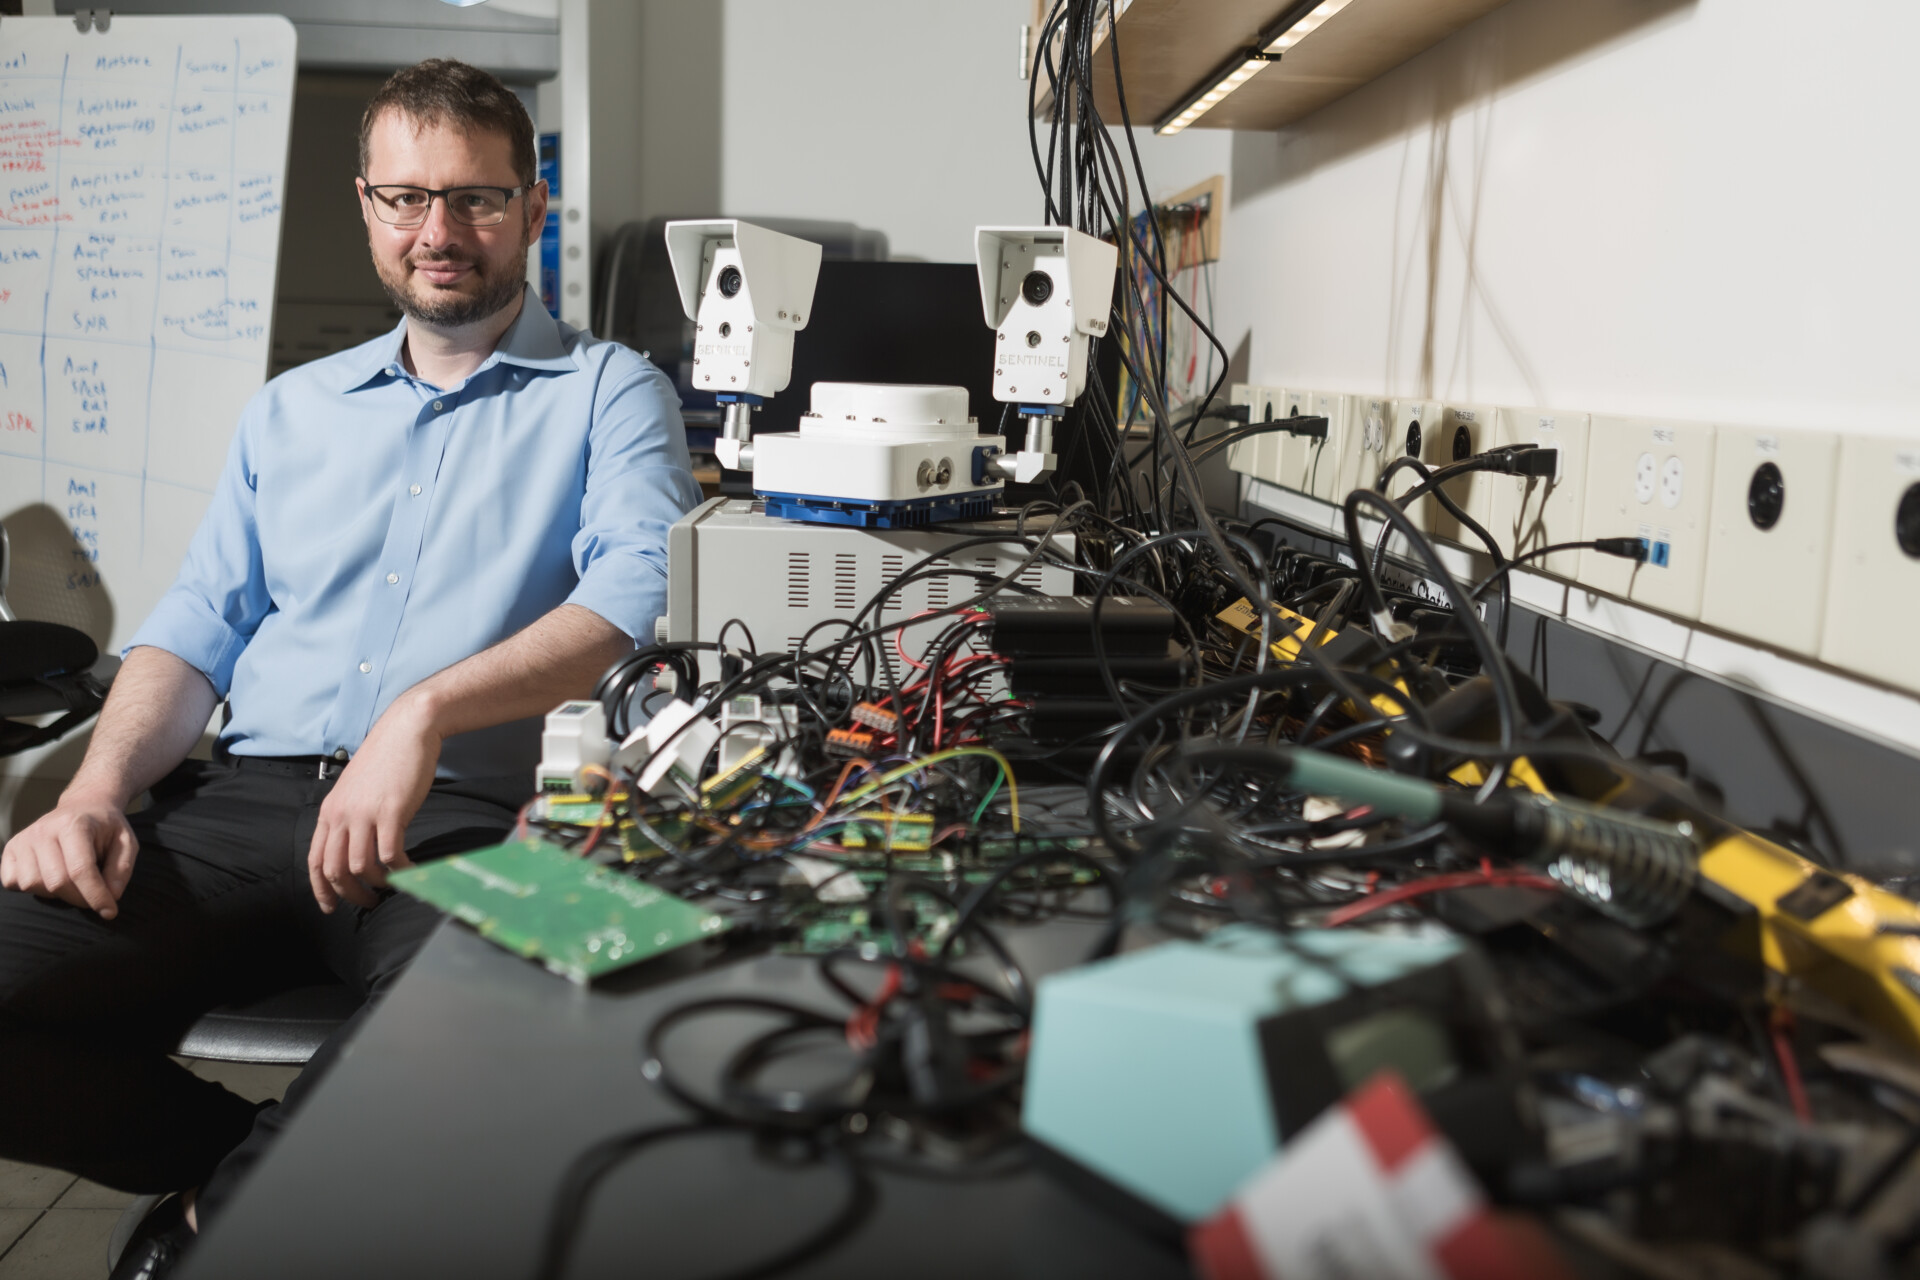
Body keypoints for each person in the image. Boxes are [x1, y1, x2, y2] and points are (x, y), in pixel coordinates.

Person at [0, 58, 700, 1276]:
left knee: (512, 1014)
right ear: (366, 206)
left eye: (478, 199)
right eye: (407, 197)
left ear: (534, 210)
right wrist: (92, 795)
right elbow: (195, 627)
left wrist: (421, 713)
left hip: (480, 820)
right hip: (243, 802)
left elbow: (634, 598)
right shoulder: (291, 410)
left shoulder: (610, 391)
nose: (440, 231)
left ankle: (219, 1236)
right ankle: (240, 1183)